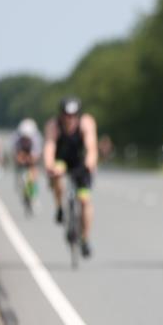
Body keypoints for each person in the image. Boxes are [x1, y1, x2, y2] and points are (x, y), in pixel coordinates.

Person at [43, 97, 98, 258]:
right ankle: (60, 207)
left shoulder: (86, 123)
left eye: (73, 115)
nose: (70, 119)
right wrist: (49, 166)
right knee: (57, 176)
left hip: (80, 162)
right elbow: (49, 147)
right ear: (61, 115)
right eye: (66, 115)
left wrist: (89, 163)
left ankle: (85, 238)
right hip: (62, 160)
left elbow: (91, 147)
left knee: (85, 200)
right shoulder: (53, 125)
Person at [14, 118, 42, 209]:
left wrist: (28, 159)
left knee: (33, 175)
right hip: (22, 156)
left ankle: (34, 193)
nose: (25, 139)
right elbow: (15, 155)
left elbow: (36, 157)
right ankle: (23, 191)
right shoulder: (16, 138)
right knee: (21, 177)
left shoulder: (37, 139)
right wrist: (20, 159)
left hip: (32, 159)